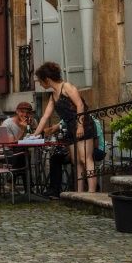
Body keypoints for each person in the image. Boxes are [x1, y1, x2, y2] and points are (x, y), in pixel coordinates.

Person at [34, 63, 94, 193]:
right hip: (70, 128)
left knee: (85, 158)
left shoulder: (66, 87)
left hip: (83, 125)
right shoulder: (53, 96)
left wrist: (80, 126)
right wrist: (35, 134)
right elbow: (45, 117)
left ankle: (92, 192)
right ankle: (80, 192)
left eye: (40, 80)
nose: (39, 84)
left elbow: (80, 105)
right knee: (76, 161)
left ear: (47, 79)